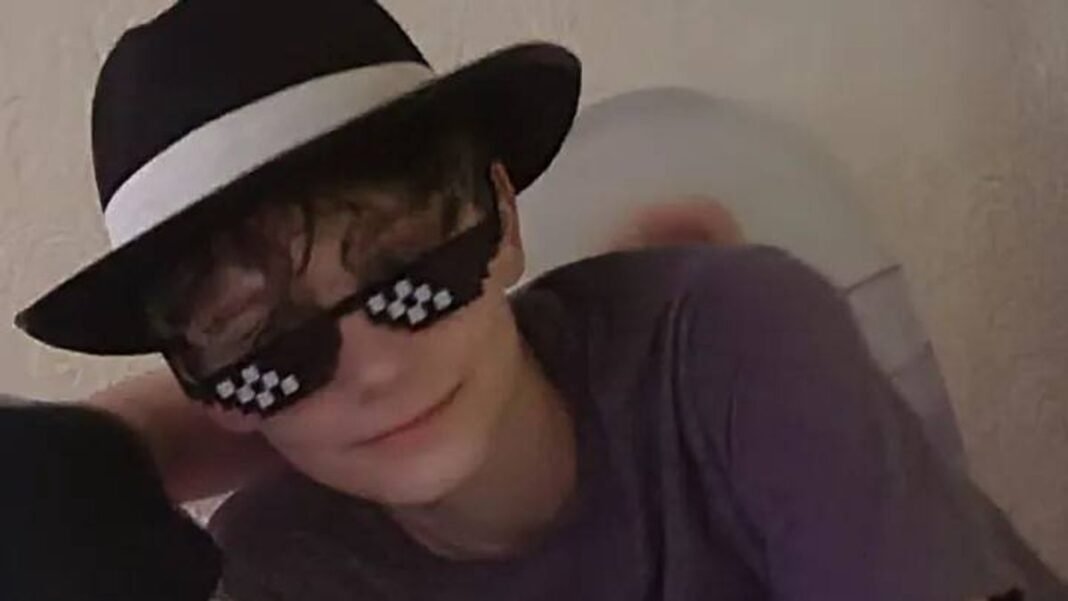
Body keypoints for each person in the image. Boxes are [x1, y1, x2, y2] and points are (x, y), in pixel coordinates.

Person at [4, 1, 1065, 600]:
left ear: (504, 216)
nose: (374, 363)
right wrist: (98, 462)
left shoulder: (730, 342)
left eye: (403, 264)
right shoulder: (290, 572)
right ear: (209, 388)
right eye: (265, 338)